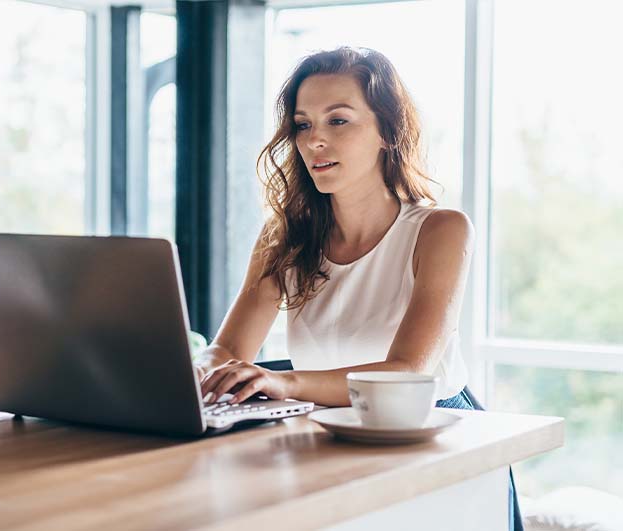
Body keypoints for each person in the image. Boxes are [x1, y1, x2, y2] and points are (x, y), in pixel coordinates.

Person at [194, 47, 523, 531]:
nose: (315, 142)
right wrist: (188, 373)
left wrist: (283, 382)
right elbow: (226, 349)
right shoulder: (282, 235)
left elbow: (409, 370)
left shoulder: (441, 229)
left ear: (387, 132)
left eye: (339, 121)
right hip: (326, 432)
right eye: (303, 125)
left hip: (437, 435)